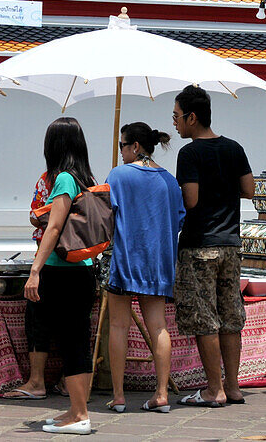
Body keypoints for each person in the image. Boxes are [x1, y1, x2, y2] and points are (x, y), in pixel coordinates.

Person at [172, 85, 254, 408]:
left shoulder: (189, 154)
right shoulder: (234, 148)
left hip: (199, 245)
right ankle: (233, 386)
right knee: (230, 314)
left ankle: (213, 389)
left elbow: (190, 200)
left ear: (192, 118)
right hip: (231, 243)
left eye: (177, 117)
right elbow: (248, 189)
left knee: (205, 316)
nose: (176, 123)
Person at [105, 122, 185, 414]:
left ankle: (118, 396)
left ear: (135, 146)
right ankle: (161, 394)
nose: (122, 152)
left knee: (118, 326)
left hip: (126, 261)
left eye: (122, 146)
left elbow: (106, 216)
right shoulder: (169, 181)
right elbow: (179, 220)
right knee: (159, 326)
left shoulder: (118, 175)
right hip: (158, 264)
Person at [24, 117, 98, 435]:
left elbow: (53, 227)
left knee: (73, 342)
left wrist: (35, 270)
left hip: (64, 272)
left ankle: (80, 413)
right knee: (75, 340)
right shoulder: (85, 177)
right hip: (81, 271)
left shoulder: (64, 179)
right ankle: (74, 410)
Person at [3, 171, 56, 400]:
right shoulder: (87, 178)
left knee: (38, 319)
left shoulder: (51, 178)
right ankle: (69, 383)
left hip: (50, 260)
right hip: (81, 260)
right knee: (74, 325)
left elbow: (36, 217)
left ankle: (36, 381)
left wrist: (35, 270)